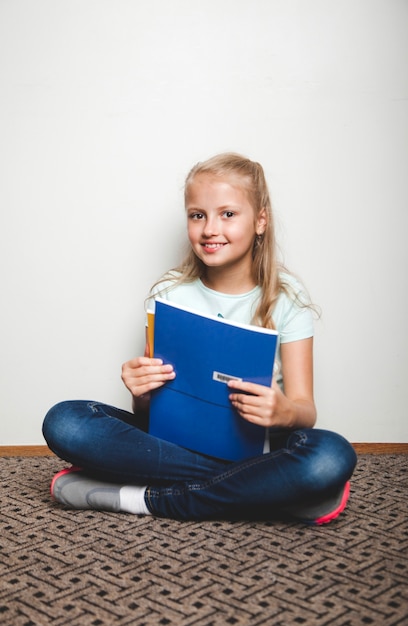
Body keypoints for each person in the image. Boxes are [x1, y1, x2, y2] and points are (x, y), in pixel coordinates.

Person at [42, 152, 357, 524]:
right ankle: (266, 492)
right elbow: (149, 412)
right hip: (175, 445)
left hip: (261, 448)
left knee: (331, 455)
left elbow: (305, 410)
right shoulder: (169, 297)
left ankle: (154, 499)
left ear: (260, 221)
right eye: (197, 215)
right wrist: (140, 392)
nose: (210, 229)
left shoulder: (287, 301)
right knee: (65, 421)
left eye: (228, 214)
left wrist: (284, 410)